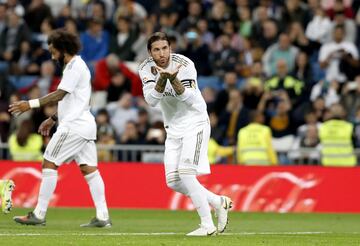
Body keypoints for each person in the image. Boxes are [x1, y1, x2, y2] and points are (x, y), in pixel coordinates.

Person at [8, 29, 111, 227]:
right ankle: (103, 216)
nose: (52, 55)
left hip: (74, 126)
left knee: (49, 163)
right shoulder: (76, 66)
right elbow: (76, 100)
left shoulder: (74, 67)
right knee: (90, 170)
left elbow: (61, 94)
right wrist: (53, 118)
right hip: (85, 125)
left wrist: (30, 104)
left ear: (64, 49)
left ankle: (39, 214)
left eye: (54, 51)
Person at [138, 32, 232, 236]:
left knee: (187, 173)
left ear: (170, 48)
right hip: (172, 128)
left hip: (195, 122)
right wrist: (163, 79)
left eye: (165, 48)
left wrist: (173, 79)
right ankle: (218, 202)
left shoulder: (185, 64)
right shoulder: (145, 68)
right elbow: (152, 101)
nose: (162, 53)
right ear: (150, 52)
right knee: (173, 181)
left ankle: (207, 225)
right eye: (156, 49)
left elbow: (189, 100)